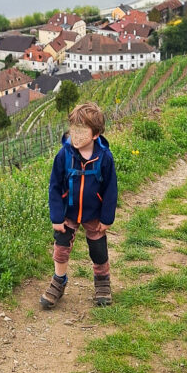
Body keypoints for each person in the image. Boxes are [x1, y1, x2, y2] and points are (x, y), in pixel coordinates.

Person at [40, 101, 117, 309]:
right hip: (68, 212)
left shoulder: (104, 158)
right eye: (74, 129)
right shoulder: (64, 155)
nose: (76, 135)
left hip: (94, 213)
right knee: (61, 247)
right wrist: (56, 217)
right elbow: (54, 187)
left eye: (82, 130)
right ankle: (59, 280)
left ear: (95, 135)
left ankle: (102, 282)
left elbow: (111, 189)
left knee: (98, 249)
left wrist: (107, 217)